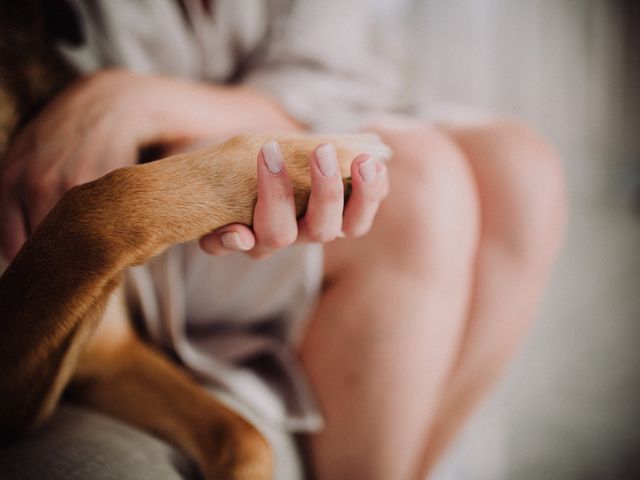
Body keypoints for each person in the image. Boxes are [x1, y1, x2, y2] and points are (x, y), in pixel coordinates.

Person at [0, 1, 566, 479]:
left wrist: (133, 99)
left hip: (235, 127)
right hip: (121, 185)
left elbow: (323, 83)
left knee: (524, 171)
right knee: (419, 186)